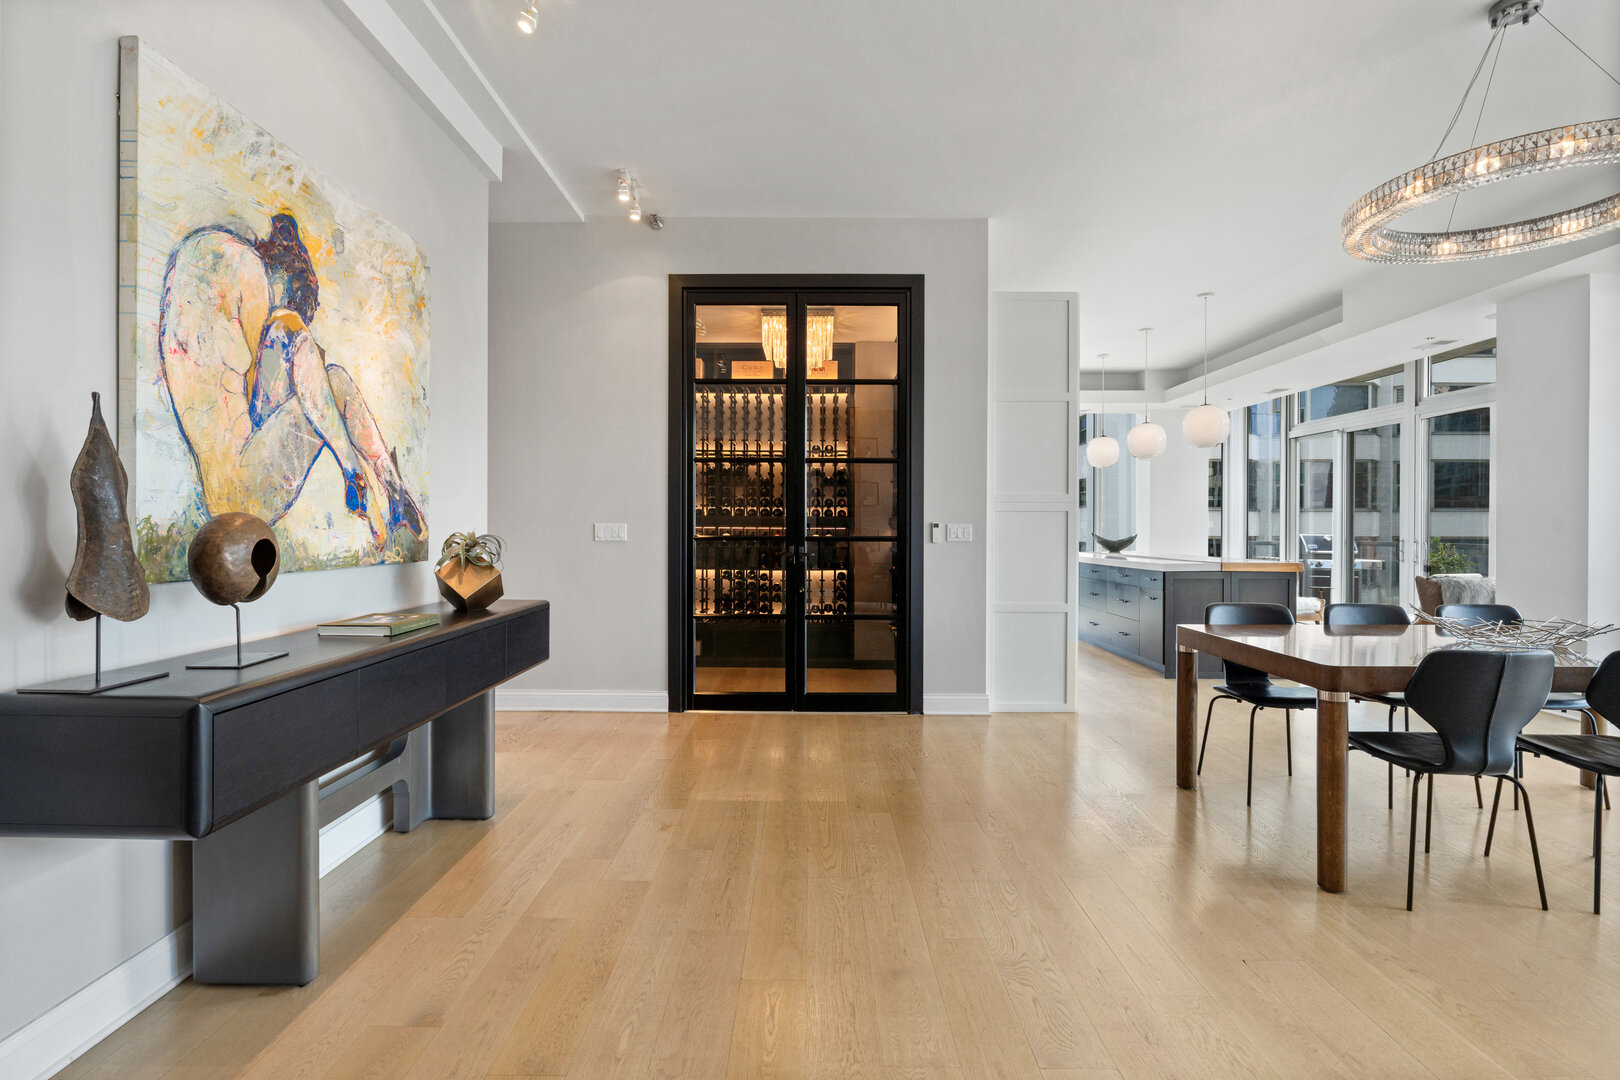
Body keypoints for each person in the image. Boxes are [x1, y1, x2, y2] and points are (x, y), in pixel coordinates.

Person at [157, 212, 425, 547]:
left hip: (222, 492)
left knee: (328, 375)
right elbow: (268, 362)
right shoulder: (250, 271)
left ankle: (387, 491)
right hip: (248, 485)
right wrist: (300, 347)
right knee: (305, 346)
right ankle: (361, 474)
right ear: (280, 277)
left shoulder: (202, 259)